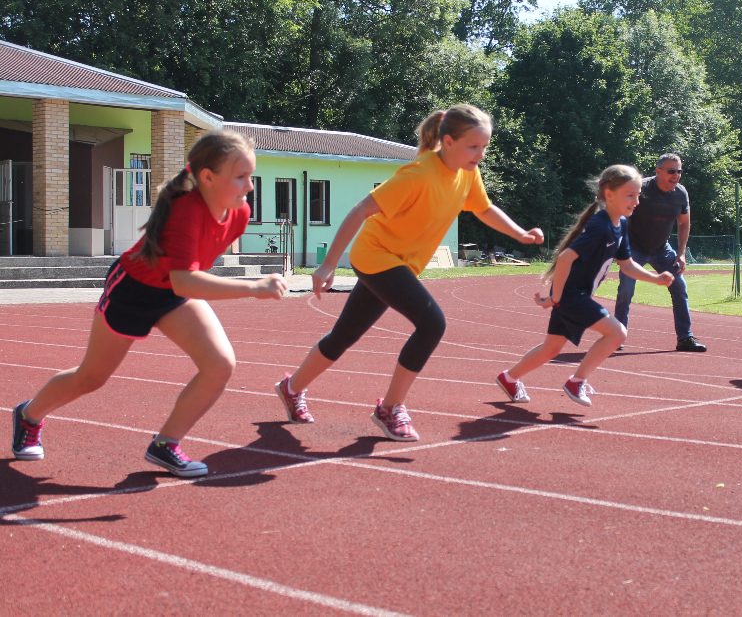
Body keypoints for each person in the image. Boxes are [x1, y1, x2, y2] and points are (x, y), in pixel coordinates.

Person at [11, 130, 287, 476]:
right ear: (207, 177)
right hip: (133, 291)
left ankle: (165, 444)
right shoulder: (185, 212)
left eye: (251, 176)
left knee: (219, 365)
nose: (249, 187)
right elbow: (185, 279)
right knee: (91, 378)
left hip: (171, 294)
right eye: (241, 177)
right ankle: (29, 415)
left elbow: (185, 278)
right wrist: (253, 287)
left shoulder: (239, 213)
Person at [273, 104, 542, 441]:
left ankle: (291, 387)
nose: (481, 154)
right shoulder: (418, 174)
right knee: (432, 323)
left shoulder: (467, 172)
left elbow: (483, 208)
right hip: (377, 256)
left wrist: (518, 233)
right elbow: (360, 211)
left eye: (484, 146)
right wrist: (327, 264)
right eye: (474, 146)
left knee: (344, 336)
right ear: (447, 141)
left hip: (398, 263)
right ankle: (390, 407)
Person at [496, 165, 674, 407]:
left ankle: (509, 378)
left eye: (638, 194)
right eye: (630, 195)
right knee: (617, 333)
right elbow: (565, 258)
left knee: (551, 349)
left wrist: (655, 278)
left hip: (570, 295)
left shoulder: (619, 225)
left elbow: (627, 265)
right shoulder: (600, 226)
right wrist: (557, 298)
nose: (637, 201)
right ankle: (576, 381)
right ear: (609, 195)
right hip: (573, 296)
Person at [614, 153, 705, 352]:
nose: (676, 175)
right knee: (626, 291)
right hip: (634, 249)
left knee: (679, 287)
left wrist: (681, 253)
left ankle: (685, 338)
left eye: (679, 171)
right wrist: (619, 246)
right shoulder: (642, 188)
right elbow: (621, 213)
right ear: (658, 171)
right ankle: (616, 336)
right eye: (671, 171)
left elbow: (684, 223)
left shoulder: (681, 193)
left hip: (662, 250)